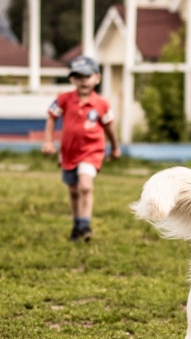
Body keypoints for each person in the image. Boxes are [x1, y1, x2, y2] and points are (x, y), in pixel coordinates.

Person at [42, 56, 121, 242]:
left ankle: (86, 225)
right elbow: (51, 118)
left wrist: (115, 147)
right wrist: (48, 142)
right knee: (74, 190)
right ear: (72, 79)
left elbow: (109, 127)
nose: (83, 81)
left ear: (97, 78)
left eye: (87, 76)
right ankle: (77, 225)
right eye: (78, 77)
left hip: (91, 152)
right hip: (69, 153)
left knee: (85, 185)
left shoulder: (102, 104)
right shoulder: (63, 99)